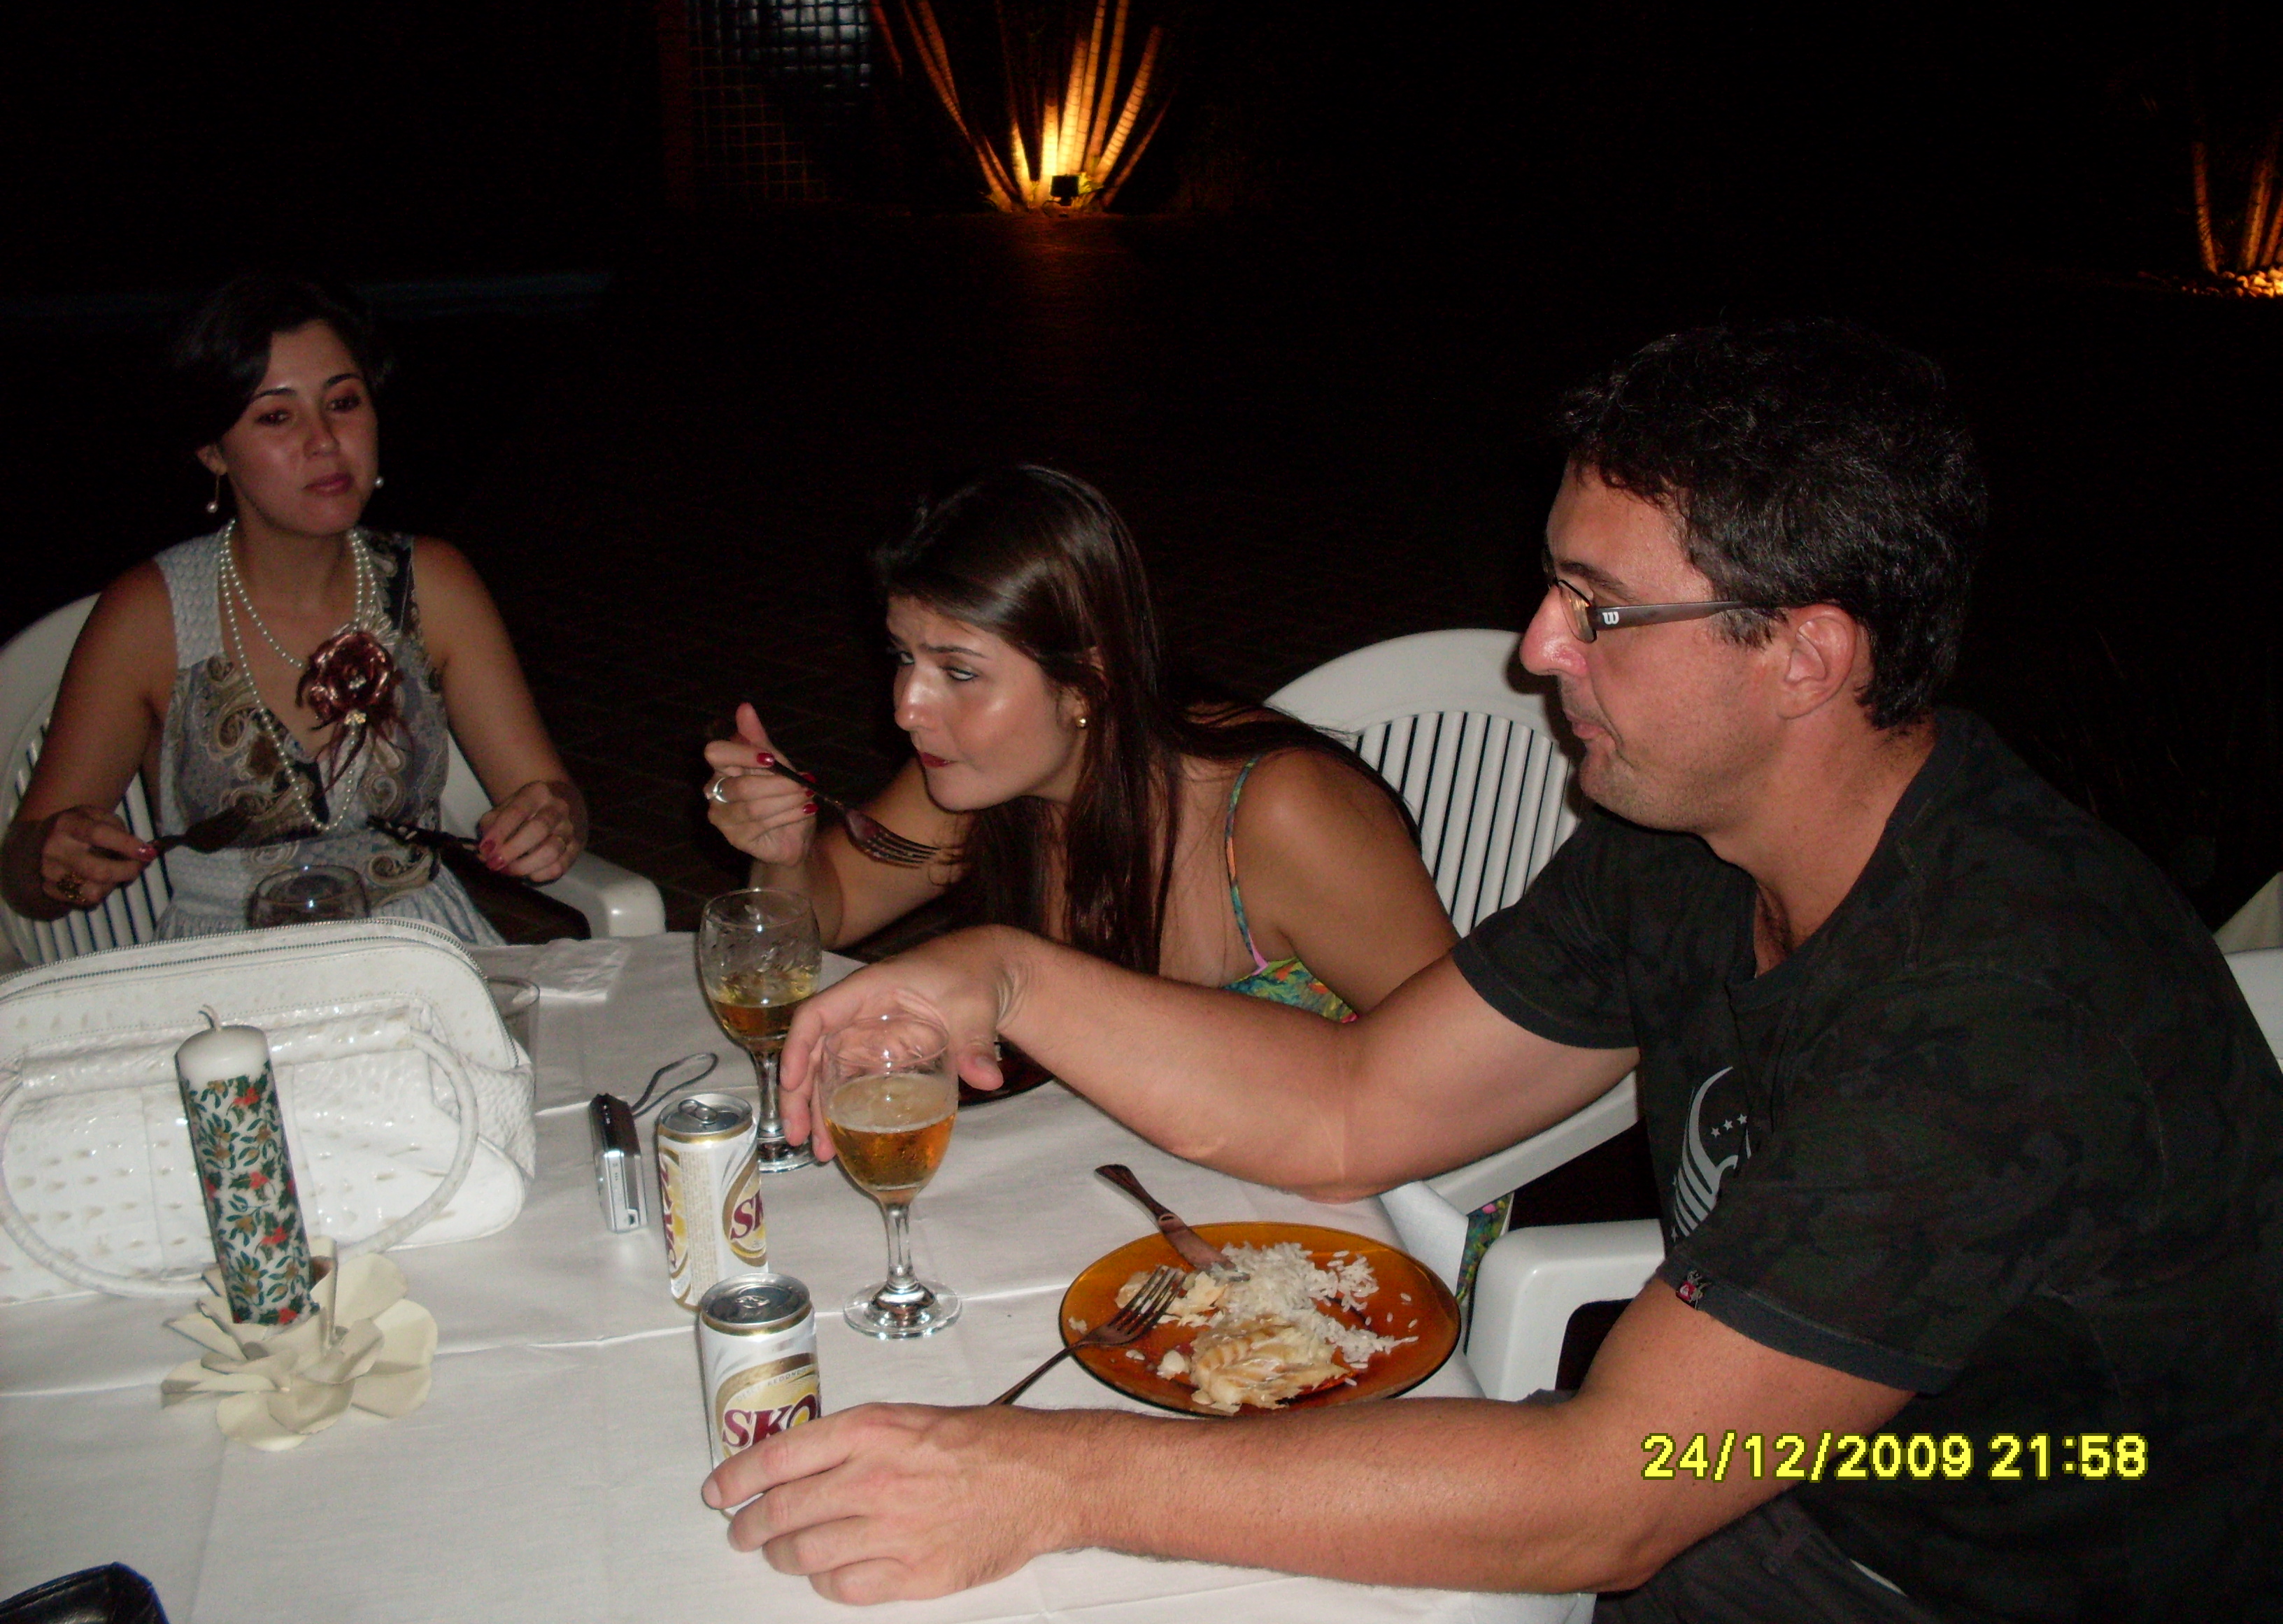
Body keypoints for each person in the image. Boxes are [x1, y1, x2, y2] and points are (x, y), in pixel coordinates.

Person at [709, 325, 2283, 1618]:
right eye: (1554, 587)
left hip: (1998, 1572)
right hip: (1774, 1497)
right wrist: (1003, 975)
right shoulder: (1687, 841)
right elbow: (1354, 1103)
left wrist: (1047, 1477)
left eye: (1600, 610)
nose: (1535, 646)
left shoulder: (1994, 1006)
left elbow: (1611, 1493)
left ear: (1805, 655)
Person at [702, 464, 1455, 1020]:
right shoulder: (975, 785)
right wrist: (786, 855)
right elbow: (822, 920)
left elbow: (1468, 1061)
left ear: (1086, 683)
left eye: (959, 672)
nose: (906, 709)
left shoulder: (1278, 812)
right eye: (904, 657)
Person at [1, 272, 585, 939]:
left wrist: (551, 823)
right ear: (214, 450)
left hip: (416, 947)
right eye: (276, 416)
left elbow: (549, 793)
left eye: (343, 402)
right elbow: (26, 878)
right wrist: (58, 863)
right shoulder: (150, 615)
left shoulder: (434, 583)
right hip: (226, 963)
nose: (324, 439)